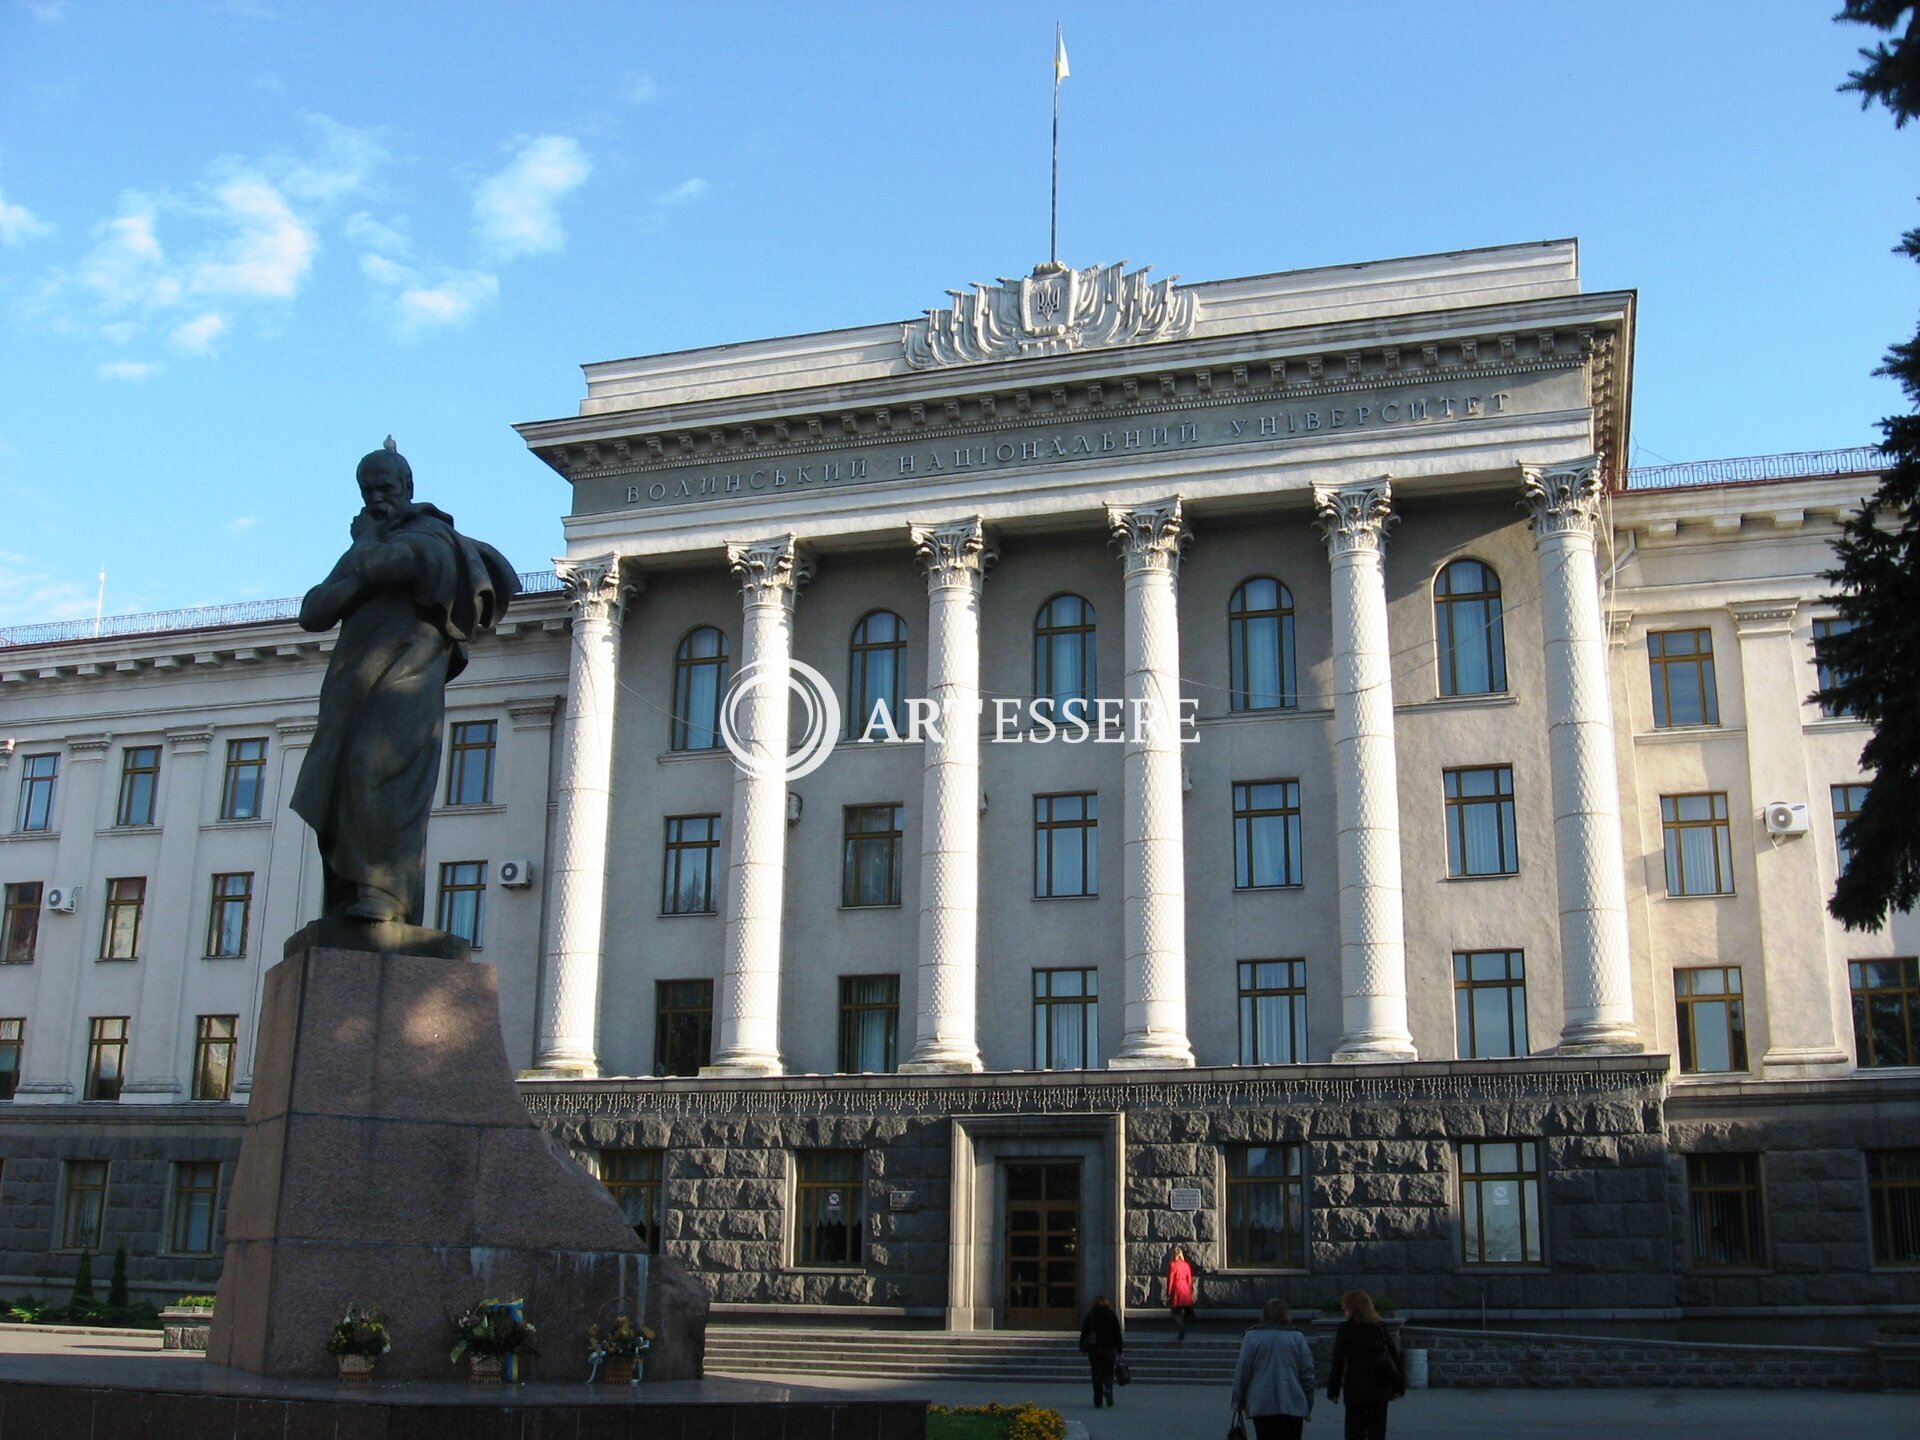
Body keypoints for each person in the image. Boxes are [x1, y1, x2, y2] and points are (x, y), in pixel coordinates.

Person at [293, 439, 519, 927]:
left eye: (385, 488)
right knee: (337, 787)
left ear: (407, 488)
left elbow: (390, 565)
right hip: (353, 684)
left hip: (407, 677)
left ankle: (386, 892)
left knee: (375, 771)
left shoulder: (431, 534)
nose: (376, 499)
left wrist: (361, 555)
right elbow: (313, 612)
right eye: (368, 489)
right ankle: (352, 892)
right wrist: (360, 568)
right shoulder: (371, 541)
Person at [1229, 1297, 1314, 1440]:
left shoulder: (1252, 1337)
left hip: (1262, 1403)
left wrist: (1238, 1401)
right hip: (1293, 1403)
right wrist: (1308, 1401)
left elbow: (1243, 1371)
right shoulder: (1297, 1337)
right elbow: (1307, 1373)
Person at [1327, 1289, 1404, 1440]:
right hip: (1379, 1386)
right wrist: (1398, 1387)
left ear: (1352, 1307)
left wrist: (1333, 1391)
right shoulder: (1379, 1327)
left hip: (1355, 1387)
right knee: (1377, 1430)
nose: (1343, 1308)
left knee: (1354, 1430)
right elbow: (1392, 1357)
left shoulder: (1345, 1329)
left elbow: (1338, 1361)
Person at [1078, 1294, 1124, 1408]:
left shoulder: (1091, 1315)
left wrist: (1081, 1346)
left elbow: (1085, 1332)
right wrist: (1120, 1349)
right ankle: (1108, 1389)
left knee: (1096, 1374)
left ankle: (1098, 1400)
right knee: (1108, 1372)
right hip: (1109, 1348)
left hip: (1095, 1349)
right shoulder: (1111, 1315)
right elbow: (1117, 1333)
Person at [1165, 1244, 1198, 1340]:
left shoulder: (1173, 1265)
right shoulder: (1186, 1265)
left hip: (1177, 1289)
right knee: (1187, 1311)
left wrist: (1168, 1291)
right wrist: (1190, 1290)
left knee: (1175, 1312)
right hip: (1185, 1289)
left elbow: (1170, 1279)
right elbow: (1189, 1279)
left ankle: (1181, 1329)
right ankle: (1184, 1327)